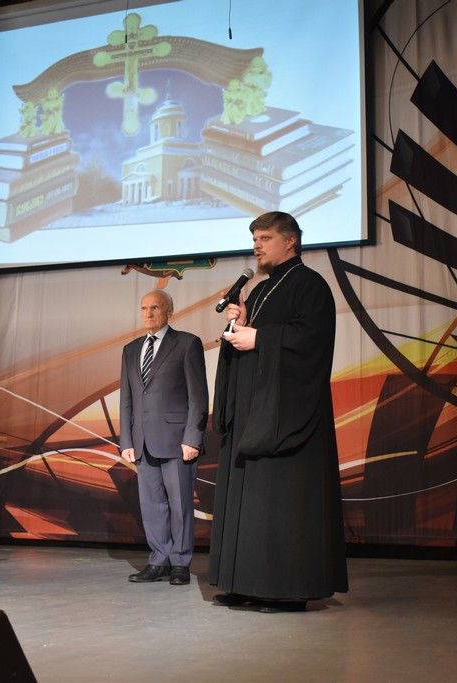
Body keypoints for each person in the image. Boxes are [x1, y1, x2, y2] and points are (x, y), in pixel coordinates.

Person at [208, 211, 348, 612]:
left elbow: (312, 340)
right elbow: (253, 344)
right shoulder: (259, 291)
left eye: (265, 238)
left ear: (290, 241)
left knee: (280, 503)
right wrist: (242, 324)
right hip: (254, 412)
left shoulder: (310, 285)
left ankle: (286, 590)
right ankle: (245, 582)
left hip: (286, 417)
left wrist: (260, 337)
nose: (257, 246)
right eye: (254, 239)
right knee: (248, 501)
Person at [120, 289, 208, 585]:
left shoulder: (187, 344)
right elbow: (127, 400)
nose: (148, 314)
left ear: (169, 311)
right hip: (143, 442)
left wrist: (193, 438)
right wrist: (126, 440)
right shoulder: (131, 349)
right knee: (152, 505)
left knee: (180, 504)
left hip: (177, 442)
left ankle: (180, 562)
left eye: (155, 308)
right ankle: (159, 560)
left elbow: (198, 396)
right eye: (144, 308)